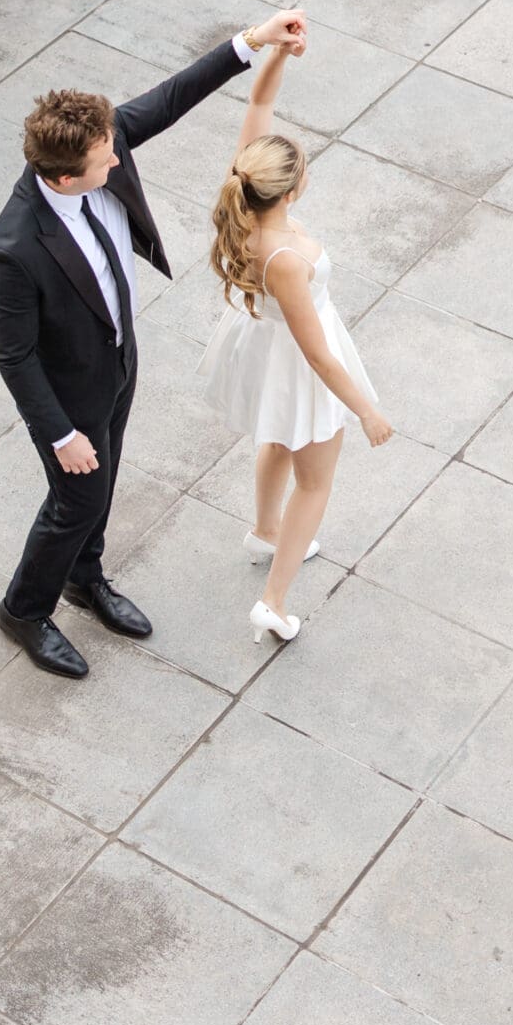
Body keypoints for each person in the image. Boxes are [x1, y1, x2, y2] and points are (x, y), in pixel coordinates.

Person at [0, 10, 307, 680]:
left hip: (117, 359)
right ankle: (24, 608)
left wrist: (254, 41)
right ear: (66, 178)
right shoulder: (13, 250)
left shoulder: (100, 142)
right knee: (75, 498)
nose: (118, 155)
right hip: (68, 393)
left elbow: (169, 99)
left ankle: (84, 577)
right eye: (107, 159)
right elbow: (13, 356)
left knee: (100, 493)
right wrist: (59, 435)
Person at [199, 39, 391, 646]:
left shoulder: (246, 196)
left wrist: (277, 50)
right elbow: (315, 352)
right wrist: (366, 409)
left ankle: (264, 529)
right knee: (314, 479)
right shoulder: (287, 257)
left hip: (264, 344)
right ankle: (274, 602)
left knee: (277, 437)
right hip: (297, 356)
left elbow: (259, 98)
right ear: (289, 193)